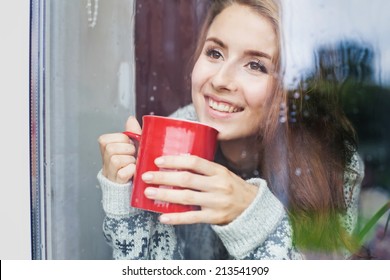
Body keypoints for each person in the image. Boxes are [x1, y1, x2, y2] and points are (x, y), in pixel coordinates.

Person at [97, 0, 364, 259]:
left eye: (256, 65)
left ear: (290, 91)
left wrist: (252, 218)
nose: (221, 80)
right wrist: (126, 200)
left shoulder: (335, 164)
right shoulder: (176, 137)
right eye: (214, 53)